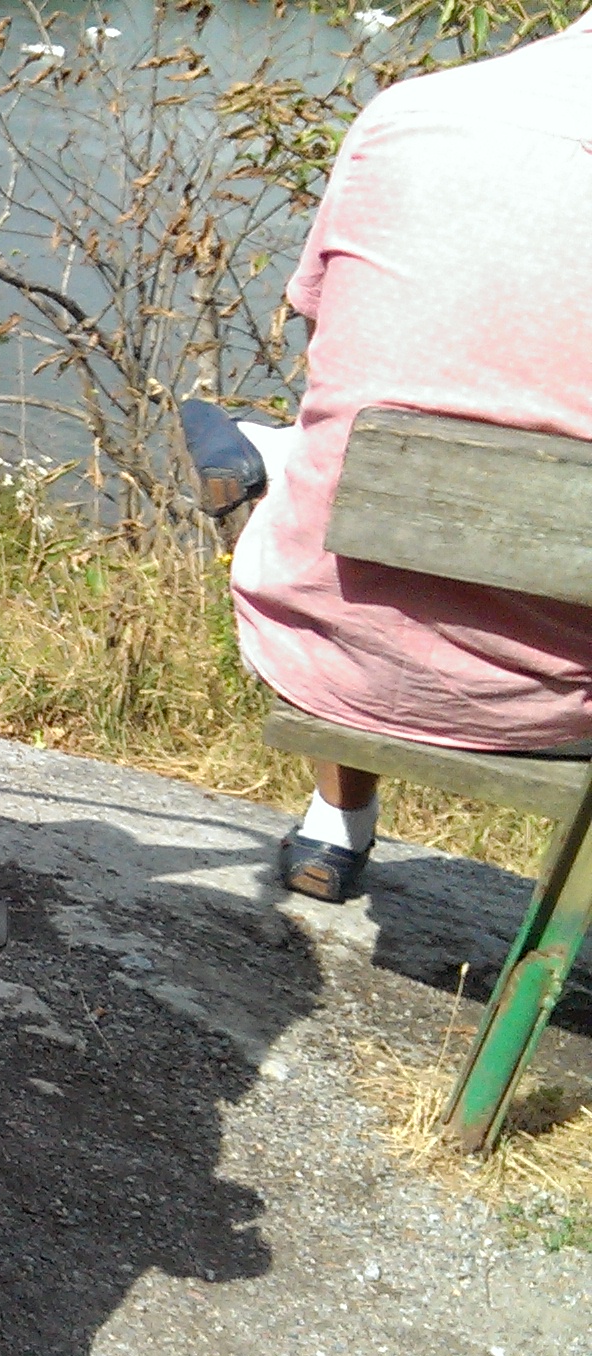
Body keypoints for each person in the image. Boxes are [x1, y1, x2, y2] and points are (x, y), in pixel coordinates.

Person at [216, 12, 592, 902]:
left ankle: (336, 824)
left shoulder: (411, 112)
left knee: (349, 450)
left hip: (334, 645)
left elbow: (327, 320)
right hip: (569, 688)